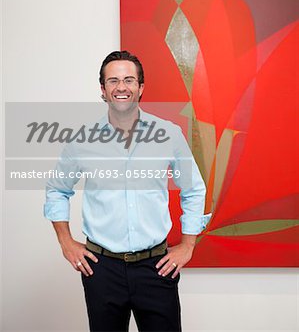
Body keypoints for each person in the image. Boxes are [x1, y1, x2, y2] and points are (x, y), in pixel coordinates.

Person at [44, 50, 211, 332]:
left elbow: (193, 189)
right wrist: (65, 241)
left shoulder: (168, 134)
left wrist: (188, 244)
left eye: (129, 80)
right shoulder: (81, 140)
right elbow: (57, 190)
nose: (121, 87)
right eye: (113, 81)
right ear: (103, 90)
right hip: (102, 269)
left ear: (140, 88)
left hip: (157, 267)